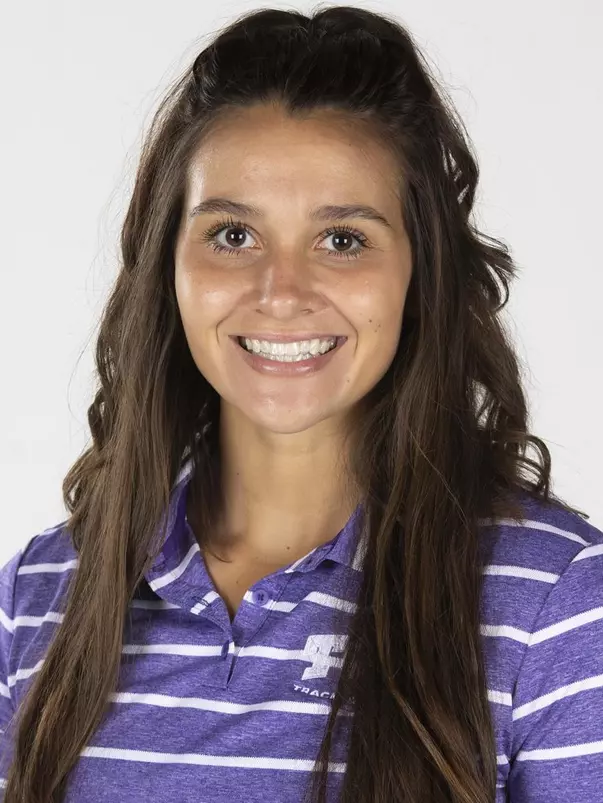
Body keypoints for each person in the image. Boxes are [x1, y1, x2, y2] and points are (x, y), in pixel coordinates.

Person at [1, 5, 601, 803]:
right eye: (232, 235)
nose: (280, 293)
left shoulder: (554, 605)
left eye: (342, 239)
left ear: (419, 274)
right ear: (167, 263)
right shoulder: (42, 593)